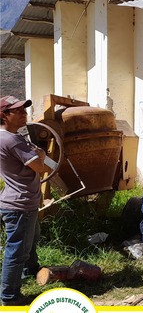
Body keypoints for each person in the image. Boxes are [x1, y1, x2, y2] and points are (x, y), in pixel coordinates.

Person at [0, 96, 48, 306]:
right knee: (16, 252)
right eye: (17, 111)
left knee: (32, 237)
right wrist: (42, 154)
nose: (24, 114)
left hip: (16, 201)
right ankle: (10, 297)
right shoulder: (13, 140)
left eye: (24, 110)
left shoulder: (4, 138)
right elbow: (40, 167)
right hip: (21, 204)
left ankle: (30, 270)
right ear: (4, 115)